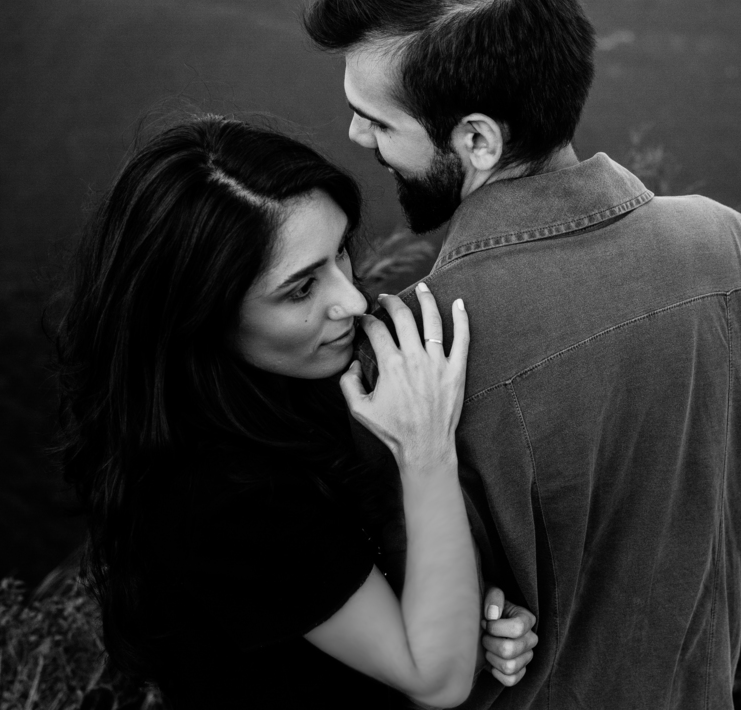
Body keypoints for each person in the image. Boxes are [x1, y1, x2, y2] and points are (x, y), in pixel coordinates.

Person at [303, 0, 741, 709]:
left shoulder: (406, 353)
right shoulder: (727, 246)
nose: (357, 135)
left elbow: (418, 647)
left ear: (477, 140)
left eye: (379, 121)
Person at [53, 116, 537, 709]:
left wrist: (465, 614)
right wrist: (427, 451)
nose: (352, 300)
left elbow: (400, 624)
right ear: (199, 319)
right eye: (301, 289)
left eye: (341, 252)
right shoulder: (217, 495)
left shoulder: (287, 396)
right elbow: (436, 679)